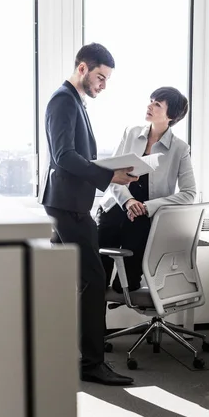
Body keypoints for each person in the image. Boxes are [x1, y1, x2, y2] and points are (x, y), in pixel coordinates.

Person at [39, 43, 138, 386]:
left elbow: (73, 156)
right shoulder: (63, 100)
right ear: (82, 69)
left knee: (75, 282)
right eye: (100, 77)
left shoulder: (74, 101)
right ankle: (92, 364)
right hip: (67, 205)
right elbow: (63, 156)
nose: (103, 85)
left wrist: (110, 170)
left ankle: (73, 354)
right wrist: (109, 175)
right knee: (94, 280)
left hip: (70, 203)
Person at [97, 87, 196, 293]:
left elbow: (189, 193)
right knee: (97, 279)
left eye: (157, 104)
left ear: (171, 116)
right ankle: (96, 325)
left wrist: (148, 206)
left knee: (127, 283)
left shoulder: (180, 148)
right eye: (151, 101)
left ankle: (121, 289)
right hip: (114, 209)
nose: (149, 106)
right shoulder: (131, 133)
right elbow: (111, 173)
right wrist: (129, 201)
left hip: (143, 218)